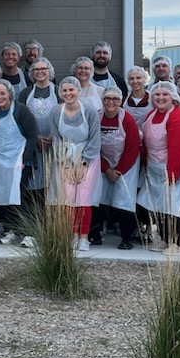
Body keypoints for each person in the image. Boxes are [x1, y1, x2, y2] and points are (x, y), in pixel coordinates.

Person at [136, 81, 180, 256]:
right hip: (154, 166)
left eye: (165, 95)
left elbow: (178, 147)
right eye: (157, 95)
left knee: (172, 205)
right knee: (158, 204)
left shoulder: (178, 116)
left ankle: (177, 242)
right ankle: (163, 238)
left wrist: (173, 172)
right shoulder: (151, 115)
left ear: (173, 97)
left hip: (172, 165)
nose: (160, 98)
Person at [48, 76, 101, 252]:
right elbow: (56, 138)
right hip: (65, 159)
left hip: (88, 158)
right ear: (60, 92)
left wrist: (83, 163)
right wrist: (66, 163)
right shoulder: (56, 111)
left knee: (84, 198)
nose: (68, 93)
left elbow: (95, 139)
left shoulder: (90, 112)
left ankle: (84, 236)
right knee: (69, 199)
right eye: (65, 90)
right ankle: (72, 235)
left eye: (71, 90)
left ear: (78, 91)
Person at [0, 79, 38, 241]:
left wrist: (25, 160)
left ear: (10, 94)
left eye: (2, 93)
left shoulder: (21, 111)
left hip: (18, 161)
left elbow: (32, 136)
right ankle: (11, 230)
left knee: (20, 197)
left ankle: (29, 234)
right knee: (2, 197)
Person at [90, 86, 140, 250]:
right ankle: (95, 235)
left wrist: (118, 170)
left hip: (126, 164)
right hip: (102, 162)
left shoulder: (128, 120)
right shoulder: (96, 117)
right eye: (107, 99)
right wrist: (106, 169)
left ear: (121, 101)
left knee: (124, 200)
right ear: (103, 100)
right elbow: (92, 145)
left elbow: (132, 149)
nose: (111, 102)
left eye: (115, 99)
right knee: (97, 197)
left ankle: (127, 237)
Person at [19, 58, 60, 214]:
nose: (40, 72)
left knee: (52, 182)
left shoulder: (58, 90)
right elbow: (20, 118)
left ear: (49, 71)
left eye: (44, 69)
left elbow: (64, 114)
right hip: (33, 145)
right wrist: (35, 136)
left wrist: (52, 136)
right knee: (34, 184)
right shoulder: (26, 93)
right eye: (36, 69)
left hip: (53, 145)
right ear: (31, 73)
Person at [123, 65, 152, 132]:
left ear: (144, 79)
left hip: (149, 136)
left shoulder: (152, 98)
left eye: (138, 78)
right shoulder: (124, 100)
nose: (135, 81)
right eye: (132, 78)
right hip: (129, 135)